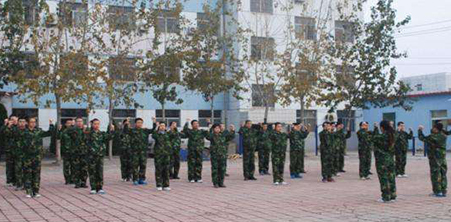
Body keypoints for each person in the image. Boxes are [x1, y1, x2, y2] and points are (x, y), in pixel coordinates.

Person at [22, 118, 54, 198]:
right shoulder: (24, 132)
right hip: (27, 156)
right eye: (31, 122)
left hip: (36, 156)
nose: (33, 123)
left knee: (36, 174)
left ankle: (36, 191)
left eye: (34, 122)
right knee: (27, 174)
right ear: (28, 123)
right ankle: (28, 191)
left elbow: (49, 133)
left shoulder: (38, 131)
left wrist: (51, 124)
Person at [85, 119, 114, 194]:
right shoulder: (89, 133)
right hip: (91, 156)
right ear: (92, 124)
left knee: (100, 172)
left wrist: (112, 130)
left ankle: (100, 187)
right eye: (95, 124)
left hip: (100, 155)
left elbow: (109, 137)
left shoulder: (102, 133)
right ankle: (93, 188)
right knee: (92, 171)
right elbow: (85, 139)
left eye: (98, 124)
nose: (96, 125)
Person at [418, 123, 448, 197]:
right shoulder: (444, 135)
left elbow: (422, 138)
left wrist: (420, 130)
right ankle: (443, 190)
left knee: (435, 174)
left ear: (436, 129)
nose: (432, 129)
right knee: (443, 173)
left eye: (433, 128)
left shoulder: (432, 136)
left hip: (435, 157)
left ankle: (438, 191)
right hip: (442, 157)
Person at [372, 120, 397, 203]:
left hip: (382, 160)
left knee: (384, 178)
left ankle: (386, 197)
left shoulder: (381, 137)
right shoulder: (393, 135)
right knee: (391, 177)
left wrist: (375, 129)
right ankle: (393, 195)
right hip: (390, 159)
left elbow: (372, 138)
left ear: (382, 128)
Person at [128, 117, 156, 185]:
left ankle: (141, 179)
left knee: (143, 165)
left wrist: (154, 122)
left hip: (143, 152)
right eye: (138, 122)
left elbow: (152, 130)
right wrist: (127, 123)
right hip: (135, 151)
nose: (139, 124)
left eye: (141, 123)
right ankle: (135, 179)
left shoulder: (145, 130)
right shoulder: (132, 131)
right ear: (135, 123)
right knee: (135, 165)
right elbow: (126, 130)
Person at [206, 124, 235, 188]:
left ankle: (221, 182)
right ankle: (215, 183)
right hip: (215, 155)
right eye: (216, 128)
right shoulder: (212, 136)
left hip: (222, 155)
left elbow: (231, 137)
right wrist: (210, 129)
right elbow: (207, 136)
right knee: (215, 169)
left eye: (218, 128)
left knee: (222, 169)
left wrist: (232, 130)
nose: (217, 129)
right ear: (213, 129)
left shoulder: (223, 136)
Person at [152, 122, 172, 191]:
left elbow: (175, 135)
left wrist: (172, 128)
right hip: (159, 155)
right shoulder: (157, 134)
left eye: (163, 126)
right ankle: (159, 184)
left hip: (166, 155)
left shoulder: (168, 134)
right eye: (161, 126)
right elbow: (153, 135)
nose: (162, 127)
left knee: (166, 170)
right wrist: (156, 127)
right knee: (158, 170)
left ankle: (166, 185)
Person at [71, 117, 89, 188]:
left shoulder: (87, 130)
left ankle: (83, 182)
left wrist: (84, 131)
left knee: (84, 168)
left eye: (81, 121)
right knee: (76, 168)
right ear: (75, 122)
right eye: (78, 121)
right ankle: (77, 183)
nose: (79, 123)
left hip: (84, 152)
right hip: (76, 152)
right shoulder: (73, 130)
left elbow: (88, 138)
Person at [0, 116, 18, 187]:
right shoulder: (7, 127)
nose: (14, 121)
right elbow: (1, 132)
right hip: (9, 150)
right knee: (9, 166)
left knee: (17, 166)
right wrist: (6, 124)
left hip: (18, 150)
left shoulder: (19, 127)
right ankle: (9, 180)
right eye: (12, 120)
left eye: (15, 119)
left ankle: (17, 180)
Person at [58, 119, 75, 185]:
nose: (70, 124)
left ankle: (73, 179)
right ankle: (67, 180)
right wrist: (59, 130)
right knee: (66, 167)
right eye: (68, 123)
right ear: (66, 124)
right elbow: (58, 137)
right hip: (66, 152)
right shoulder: (63, 132)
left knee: (73, 166)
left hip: (74, 151)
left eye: (71, 123)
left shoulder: (75, 131)